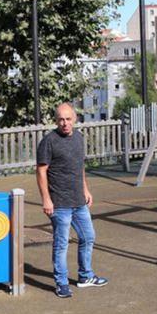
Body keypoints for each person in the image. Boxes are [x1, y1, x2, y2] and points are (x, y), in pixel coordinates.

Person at [36, 103, 108, 298]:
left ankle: (85, 276)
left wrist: (86, 189)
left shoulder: (78, 138)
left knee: (88, 237)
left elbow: (79, 166)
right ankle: (61, 283)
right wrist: (46, 200)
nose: (65, 123)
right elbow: (41, 171)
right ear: (56, 120)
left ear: (75, 119)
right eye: (61, 119)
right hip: (59, 204)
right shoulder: (48, 142)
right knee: (61, 244)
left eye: (68, 119)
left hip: (79, 201)